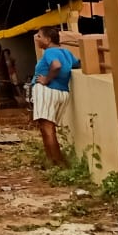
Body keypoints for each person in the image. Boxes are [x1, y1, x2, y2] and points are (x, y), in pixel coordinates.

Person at [32, 26, 80, 167]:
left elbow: (56, 66)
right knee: (47, 127)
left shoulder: (49, 52)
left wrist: (46, 79)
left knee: (47, 128)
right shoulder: (66, 52)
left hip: (47, 91)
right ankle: (51, 160)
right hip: (62, 92)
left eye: (39, 36)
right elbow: (76, 65)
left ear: (48, 39)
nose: (37, 38)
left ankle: (57, 163)